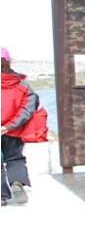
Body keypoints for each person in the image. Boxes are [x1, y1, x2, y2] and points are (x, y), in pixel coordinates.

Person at [1, 47, 39, 207]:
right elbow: (29, 107)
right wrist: (9, 126)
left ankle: (2, 197)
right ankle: (17, 182)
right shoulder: (21, 84)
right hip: (14, 131)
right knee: (15, 159)